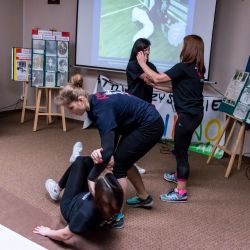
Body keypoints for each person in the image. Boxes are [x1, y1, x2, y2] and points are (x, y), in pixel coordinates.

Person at [56, 74, 164, 209]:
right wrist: (110, 150)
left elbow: (107, 152)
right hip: (139, 123)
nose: (71, 112)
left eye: (71, 108)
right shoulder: (94, 102)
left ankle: (116, 214)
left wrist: (92, 177)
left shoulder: (101, 110)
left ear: (81, 99)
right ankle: (144, 197)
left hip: (150, 124)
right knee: (124, 158)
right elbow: (113, 130)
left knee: (120, 164)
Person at [136, 34, 205, 202]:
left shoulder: (183, 67)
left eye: (184, 45)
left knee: (181, 152)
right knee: (182, 147)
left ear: (188, 48)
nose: (181, 48)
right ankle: (178, 175)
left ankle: (180, 192)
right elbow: (178, 89)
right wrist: (156, 86)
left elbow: (158, 76)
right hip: (195, 115)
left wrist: (142, 63)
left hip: (187, 116)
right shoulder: (199, 69)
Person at [33, 156, 124, 242]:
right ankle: (77, 171)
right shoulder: (117, 197)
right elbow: (108, 176)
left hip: (69, 206)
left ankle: (56, 189)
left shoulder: (86, 212)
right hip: (87, 202)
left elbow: (64, 235)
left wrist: (47, 232)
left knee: (80, 161)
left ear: (97, 195)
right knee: (87, 161)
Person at [126, 38, 158, 174]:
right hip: (133, 104)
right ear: (138, 51)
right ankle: (127, 163)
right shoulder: (133, 65)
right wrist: (143, 63)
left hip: (146, 104)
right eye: (145, 49)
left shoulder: (150, 65)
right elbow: (148, 78)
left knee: (138, 134)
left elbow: (156, 79)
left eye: (149, 49)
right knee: (130, 133)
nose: (148, 52)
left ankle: (130, 162)